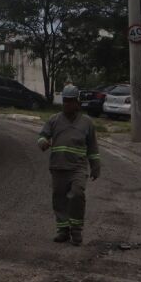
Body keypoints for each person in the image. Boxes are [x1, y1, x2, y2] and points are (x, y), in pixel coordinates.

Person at [37, 84, 101, 246]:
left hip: (78, 168)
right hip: (58, 167)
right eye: (65, 101)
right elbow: (42, 136)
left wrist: (95, 166)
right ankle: (63, 230)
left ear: (77, 103)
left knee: (77, 194)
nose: (67, 104)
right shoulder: (54, 120)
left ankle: (76, 230)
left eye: (71, 101)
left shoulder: (86, 123)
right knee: (59, 199)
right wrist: (43, 142)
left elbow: (92, 147)